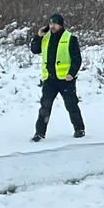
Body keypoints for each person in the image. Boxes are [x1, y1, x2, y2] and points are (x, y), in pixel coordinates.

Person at [30, 13, 85, 141]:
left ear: (60, 24)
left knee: (71, 105)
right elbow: (34, 50)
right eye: (50, 23)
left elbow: (77, 59)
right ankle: (39, 133)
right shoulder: (45, 37)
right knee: (45, 107)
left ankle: (79, 129)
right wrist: (38, 36)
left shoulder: (70, 38)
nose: (52, 26)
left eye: (54, 23)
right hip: (50, 80)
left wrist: (71, 73)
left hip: (66, 80)